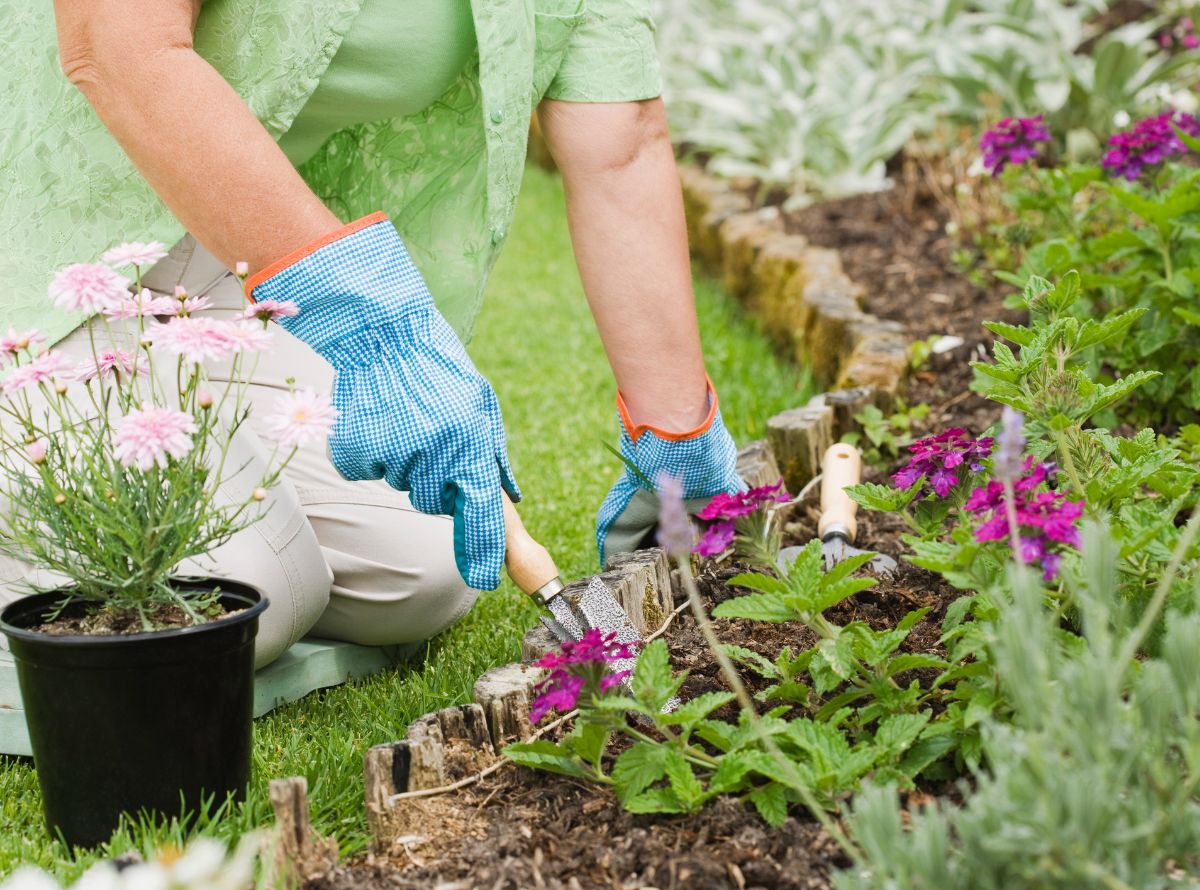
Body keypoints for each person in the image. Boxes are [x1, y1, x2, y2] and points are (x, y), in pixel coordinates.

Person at [0, 0, 744, 667]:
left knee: (425, 573)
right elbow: (114, 43)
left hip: (223, 259)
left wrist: (677, 435)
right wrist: (366, 321)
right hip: (42, 241)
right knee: (250, 596)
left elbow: (622, 143)